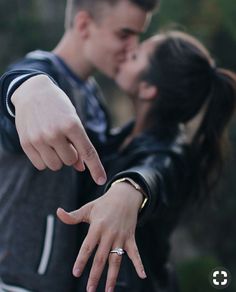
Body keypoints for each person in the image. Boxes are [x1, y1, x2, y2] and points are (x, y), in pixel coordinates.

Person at [58, 31, 236, 292]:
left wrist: (130, 189)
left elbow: (155, 172)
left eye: (135, 56)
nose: (125, 53)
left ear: (147, 88)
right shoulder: (119, 136)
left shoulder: (173, 154)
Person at [0, 0, 159, 291]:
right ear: (85, 25)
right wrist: (26, 88)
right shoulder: (43, 74)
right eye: (124, 34)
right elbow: (15, 96)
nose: (133, 46)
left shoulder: (93, 95)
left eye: (138, 35)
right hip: (15, 281)